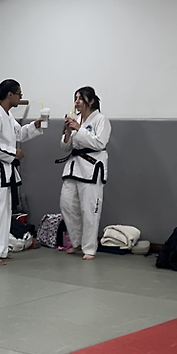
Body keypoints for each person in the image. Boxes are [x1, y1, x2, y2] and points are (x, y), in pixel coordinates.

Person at [0, 79, 44, 264]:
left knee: (5, 212)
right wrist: (13, 152)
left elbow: (19, 134)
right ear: (10, 95)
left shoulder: (7, 116)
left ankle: (0, 249)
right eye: (19, 94)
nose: (20, 98)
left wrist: (35, 126)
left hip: (6, 171)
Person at [58, 87, 110, 260]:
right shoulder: (76, 119)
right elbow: (65, 146)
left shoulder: (101, 120)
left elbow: (99, 143)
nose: (77, 102)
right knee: (67, 204)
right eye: (76, 98)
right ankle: (77, 242)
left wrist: (79, 128)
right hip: (73, 167)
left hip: (91, 168)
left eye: (81, 98)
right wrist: (67, 132)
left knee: (89, 210)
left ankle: (89, 248)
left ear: (91, 101)